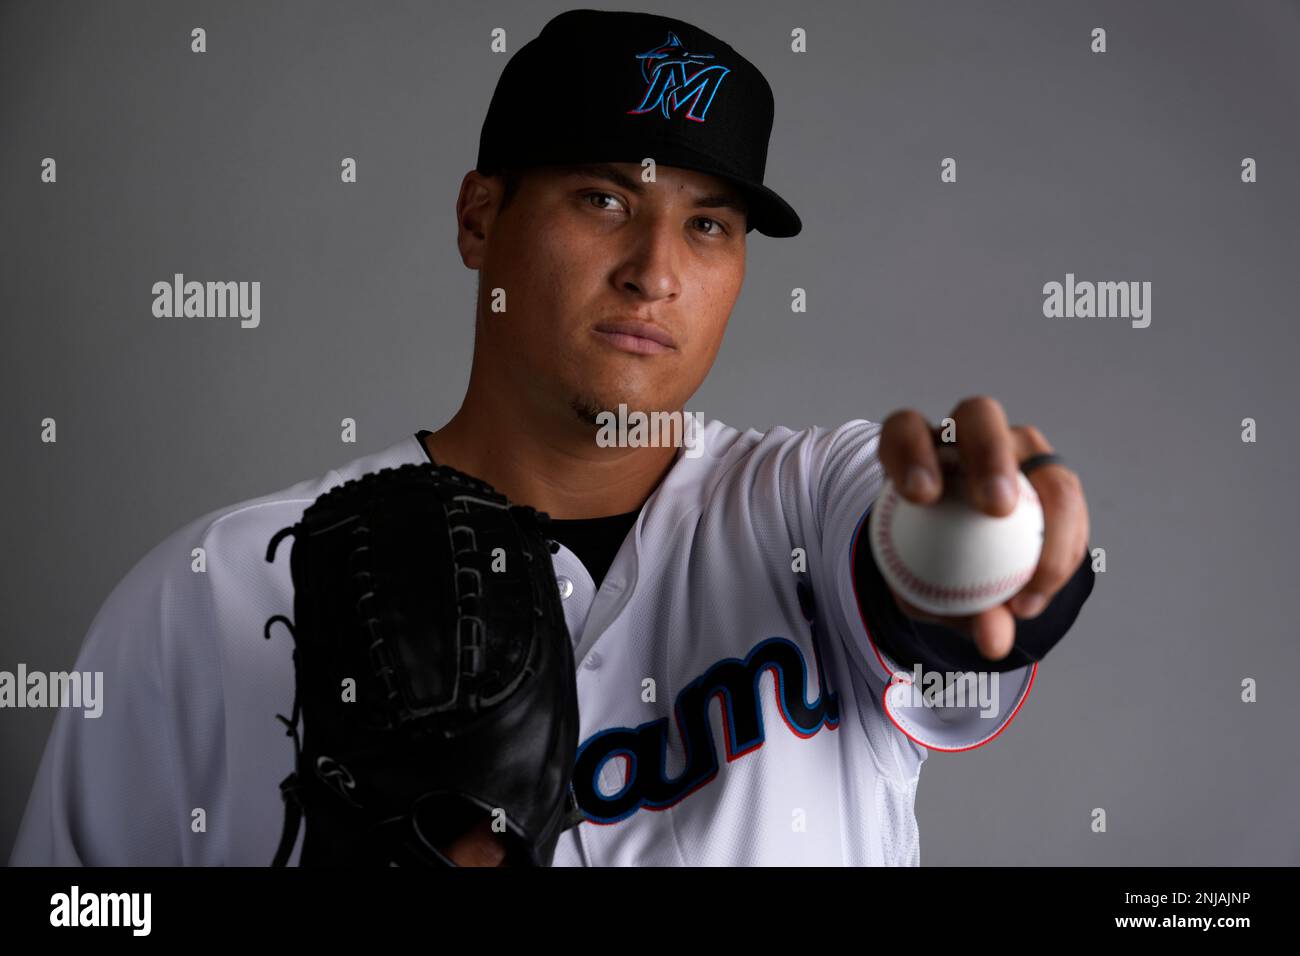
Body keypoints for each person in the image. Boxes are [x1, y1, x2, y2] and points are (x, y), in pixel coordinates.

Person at [10, 9, 1093, 867]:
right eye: (604, 198)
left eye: (708, 223)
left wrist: (981, 538)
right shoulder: (219, 590)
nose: (656, 269)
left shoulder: (807, 504)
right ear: (480, 218)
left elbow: (932, 584)